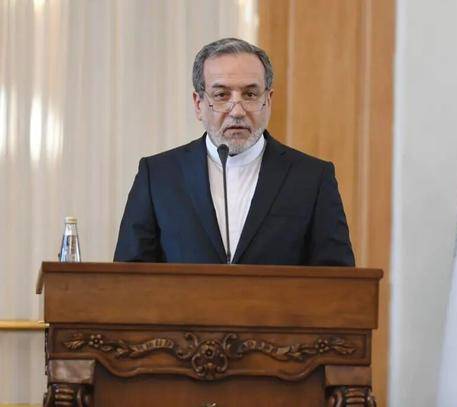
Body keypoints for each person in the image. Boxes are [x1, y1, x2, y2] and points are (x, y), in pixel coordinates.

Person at [114, 38, 354, 266]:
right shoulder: (158, 176)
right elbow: (129, 276)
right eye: (221, 95)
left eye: (250, 95)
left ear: (268, 101)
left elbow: (336, 280)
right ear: (198, 104)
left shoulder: (312, 178)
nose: (237, 111)